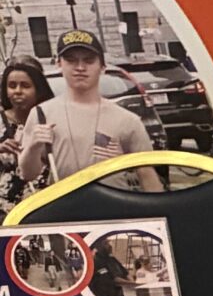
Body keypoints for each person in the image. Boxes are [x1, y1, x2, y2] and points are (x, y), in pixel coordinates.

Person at [14, 31, 151, 191]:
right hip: (65, 211)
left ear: (102, 67)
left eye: (89, 60)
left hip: (115, 211)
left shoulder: (127, 120)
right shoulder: (42, 114)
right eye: (71, 60)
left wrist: (161, 213)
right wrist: (33, 147)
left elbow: (147, 174)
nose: (80, 67)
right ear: (59, 64)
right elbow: (28, 174)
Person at [0, 55, 54, 206]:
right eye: (12, 86)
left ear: (39, 88)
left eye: (25, 85)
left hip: (45, 205)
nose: (17, 91)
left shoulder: (51, 119)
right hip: (6, 210)